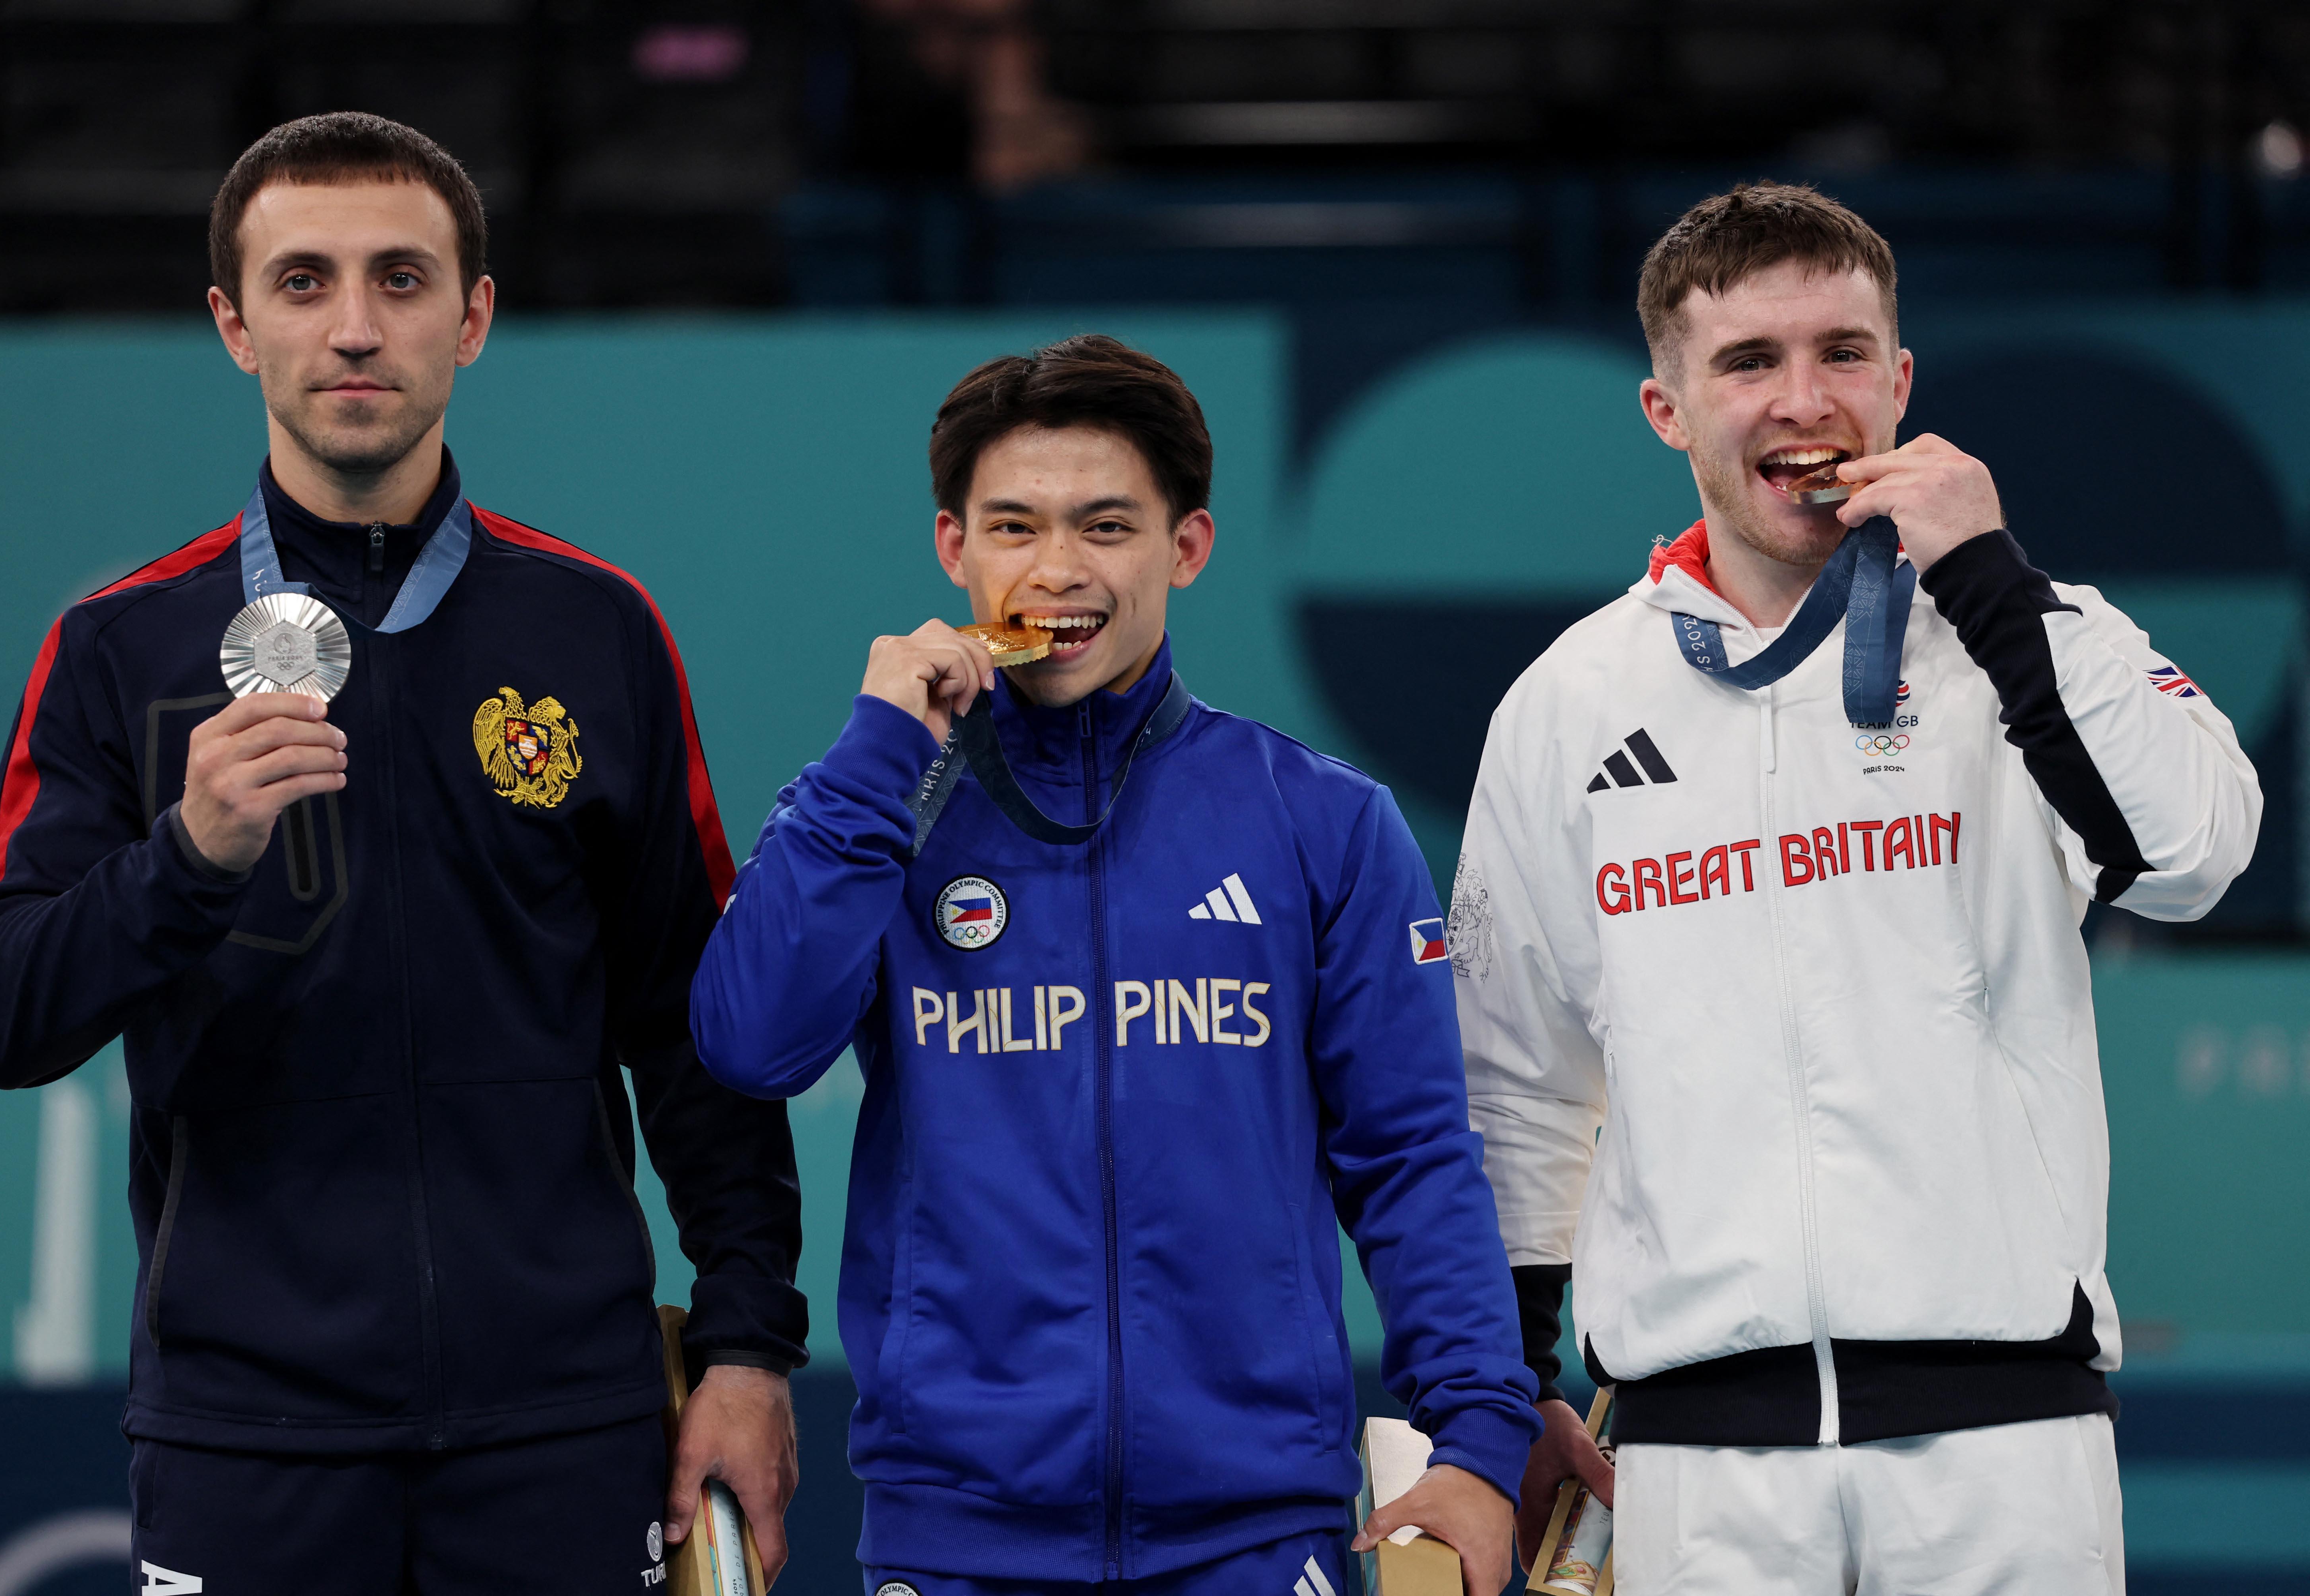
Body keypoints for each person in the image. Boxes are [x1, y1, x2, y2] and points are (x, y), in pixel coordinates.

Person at [0, 112, 806, 1594]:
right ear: (232, 326)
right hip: (246, 1436)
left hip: (559, 1427)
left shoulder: (596, 631)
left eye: (402, 280)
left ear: (473, 316)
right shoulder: (115, 648)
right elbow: (4, 1014)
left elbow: (692, 1027)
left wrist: (744, 1347)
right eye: (301, 283)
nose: (354, 328)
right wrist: (188, 860)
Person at [1453, 182, 2261, 1593]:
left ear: (1900, 383)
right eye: (1748, 363)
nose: (1802, 401)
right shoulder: (1567, 704)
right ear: (1668, 409)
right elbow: (1522, 1080)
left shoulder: (2024, 636)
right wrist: (1511, 1378)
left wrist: (1995, 587)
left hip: (2006, 1443)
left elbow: (2197, 856)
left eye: (1840, 354)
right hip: (1698, 1460)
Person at [690, 334, 1539, 1596]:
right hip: (956, 1533)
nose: (1056, 571)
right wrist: (878, 751)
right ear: (953, 549)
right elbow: (750, 1044)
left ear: (1184, 550)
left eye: (1106, 527)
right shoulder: (875, 809)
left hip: (1256, 1534)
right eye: (1015, 527)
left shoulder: (1323, 822)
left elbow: (1412, 1154)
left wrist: (1478, 1434)